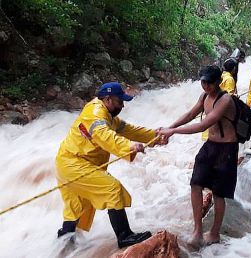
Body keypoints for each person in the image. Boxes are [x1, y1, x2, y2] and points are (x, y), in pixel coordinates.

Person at [55, 82, 165, 248]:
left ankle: (64, 245)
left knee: (76, 206)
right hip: (74, 164)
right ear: (107, 99)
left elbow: (128, 129)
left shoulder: (107, 115)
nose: (123, 104)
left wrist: (154, 136)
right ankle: (124, 236)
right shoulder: (96, 114)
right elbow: (105, 136)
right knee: (112, 189)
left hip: (68, 161)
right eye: (120, 101)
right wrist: (129, 147)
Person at [159, 65, 238, 246]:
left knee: (218, 193)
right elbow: (190, 115)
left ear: (219, 82)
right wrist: (169, 127)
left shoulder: (224, 100)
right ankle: (197, 230)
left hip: (226, 149)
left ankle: (215, 233)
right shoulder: (204, 96)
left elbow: (203, 125)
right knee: (195, 184)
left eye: (209, 83)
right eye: (203, 82)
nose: (205, 86)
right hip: (210, 146)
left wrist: (174, 132)